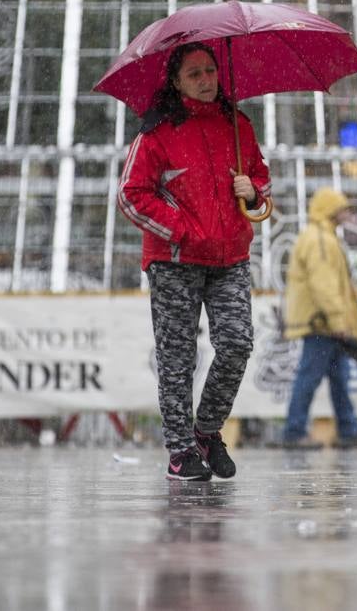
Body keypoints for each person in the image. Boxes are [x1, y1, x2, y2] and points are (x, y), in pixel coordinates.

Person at [118, 42, 271, 481]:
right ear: (175, 81)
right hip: (174, 262)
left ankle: (205, 431)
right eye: (194, 74)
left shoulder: (238, 124)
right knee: (177, 359)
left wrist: (254, 190)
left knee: (238, 344)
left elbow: (260, 176)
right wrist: (182, 231)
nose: (206, 81)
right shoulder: (155, 134)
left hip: (231, 258)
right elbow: (131, 196)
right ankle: (180, 450)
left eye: (210, 71)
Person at [280, 188, 357, 449]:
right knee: (310, 377)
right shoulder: (319, 239)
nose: (347, 213)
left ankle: (348, 430)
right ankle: (295, 431)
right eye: (342, 208)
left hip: (325, 323)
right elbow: (324, 286)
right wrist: (337, 321)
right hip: (322, 323)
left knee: (338, 379)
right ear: (330, 210)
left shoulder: (322, 236)